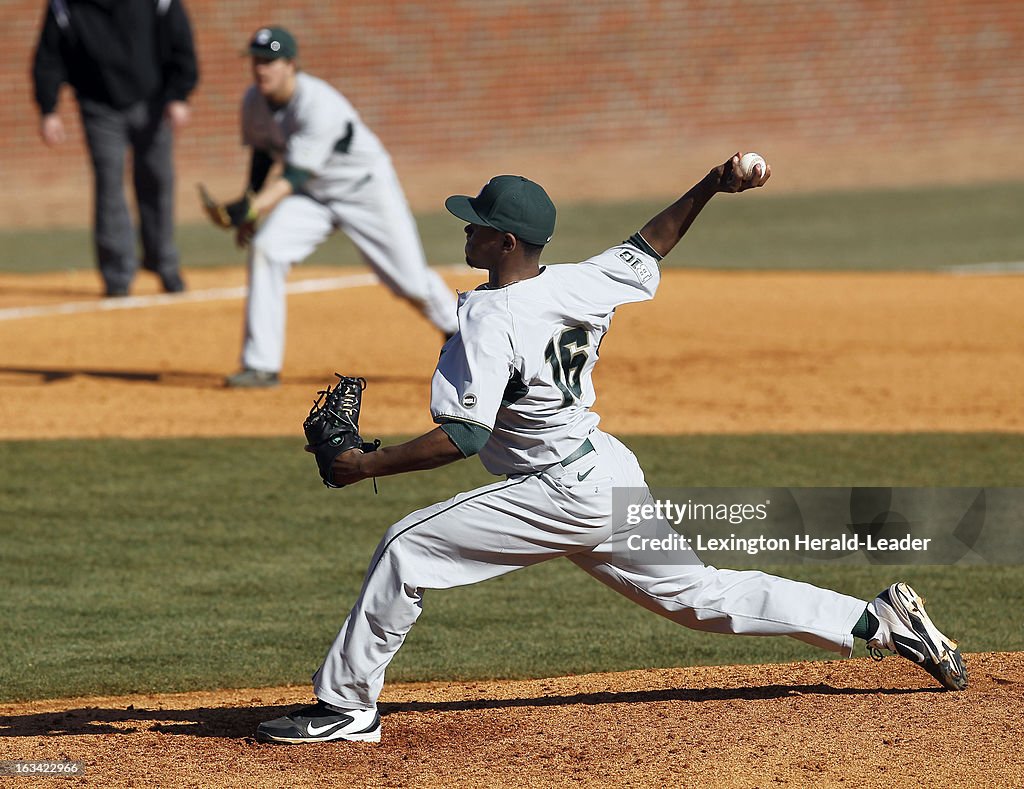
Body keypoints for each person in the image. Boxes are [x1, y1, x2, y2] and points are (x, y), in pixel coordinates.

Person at [255, 156, 967, 745]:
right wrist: (712, 184)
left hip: (554, 490)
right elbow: (651, 242)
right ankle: (875, 620)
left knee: (405, 546)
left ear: (505, 244)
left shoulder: (487, 315)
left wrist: (366, 466)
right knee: (701, 596)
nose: (467, 228)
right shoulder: (579, 281)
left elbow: (467, 436)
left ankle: (348, 705)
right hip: (602, 470)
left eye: (478, 222)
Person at [221, 26, 459, 388]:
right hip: (314, 197)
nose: (261, 69)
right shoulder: (253, 100)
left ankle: (456, 329)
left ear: (291, 65)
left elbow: (295, 175)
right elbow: (262, 152)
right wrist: (249, 204)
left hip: (363, 189)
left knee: (408, 281)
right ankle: (261, 365)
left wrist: (253, 209)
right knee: (267, 249)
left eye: (270, 61)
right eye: (256, 61)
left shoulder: (319, 103)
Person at [32, 0, 198, 298]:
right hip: (98, 105)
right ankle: (117, 275)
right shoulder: (64, 5)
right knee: (109, 186)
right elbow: (48, 55)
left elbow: (180, 40)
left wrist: (178, 94)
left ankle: (164, 264)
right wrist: (48, 109)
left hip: (153, 101)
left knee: (157, 180)